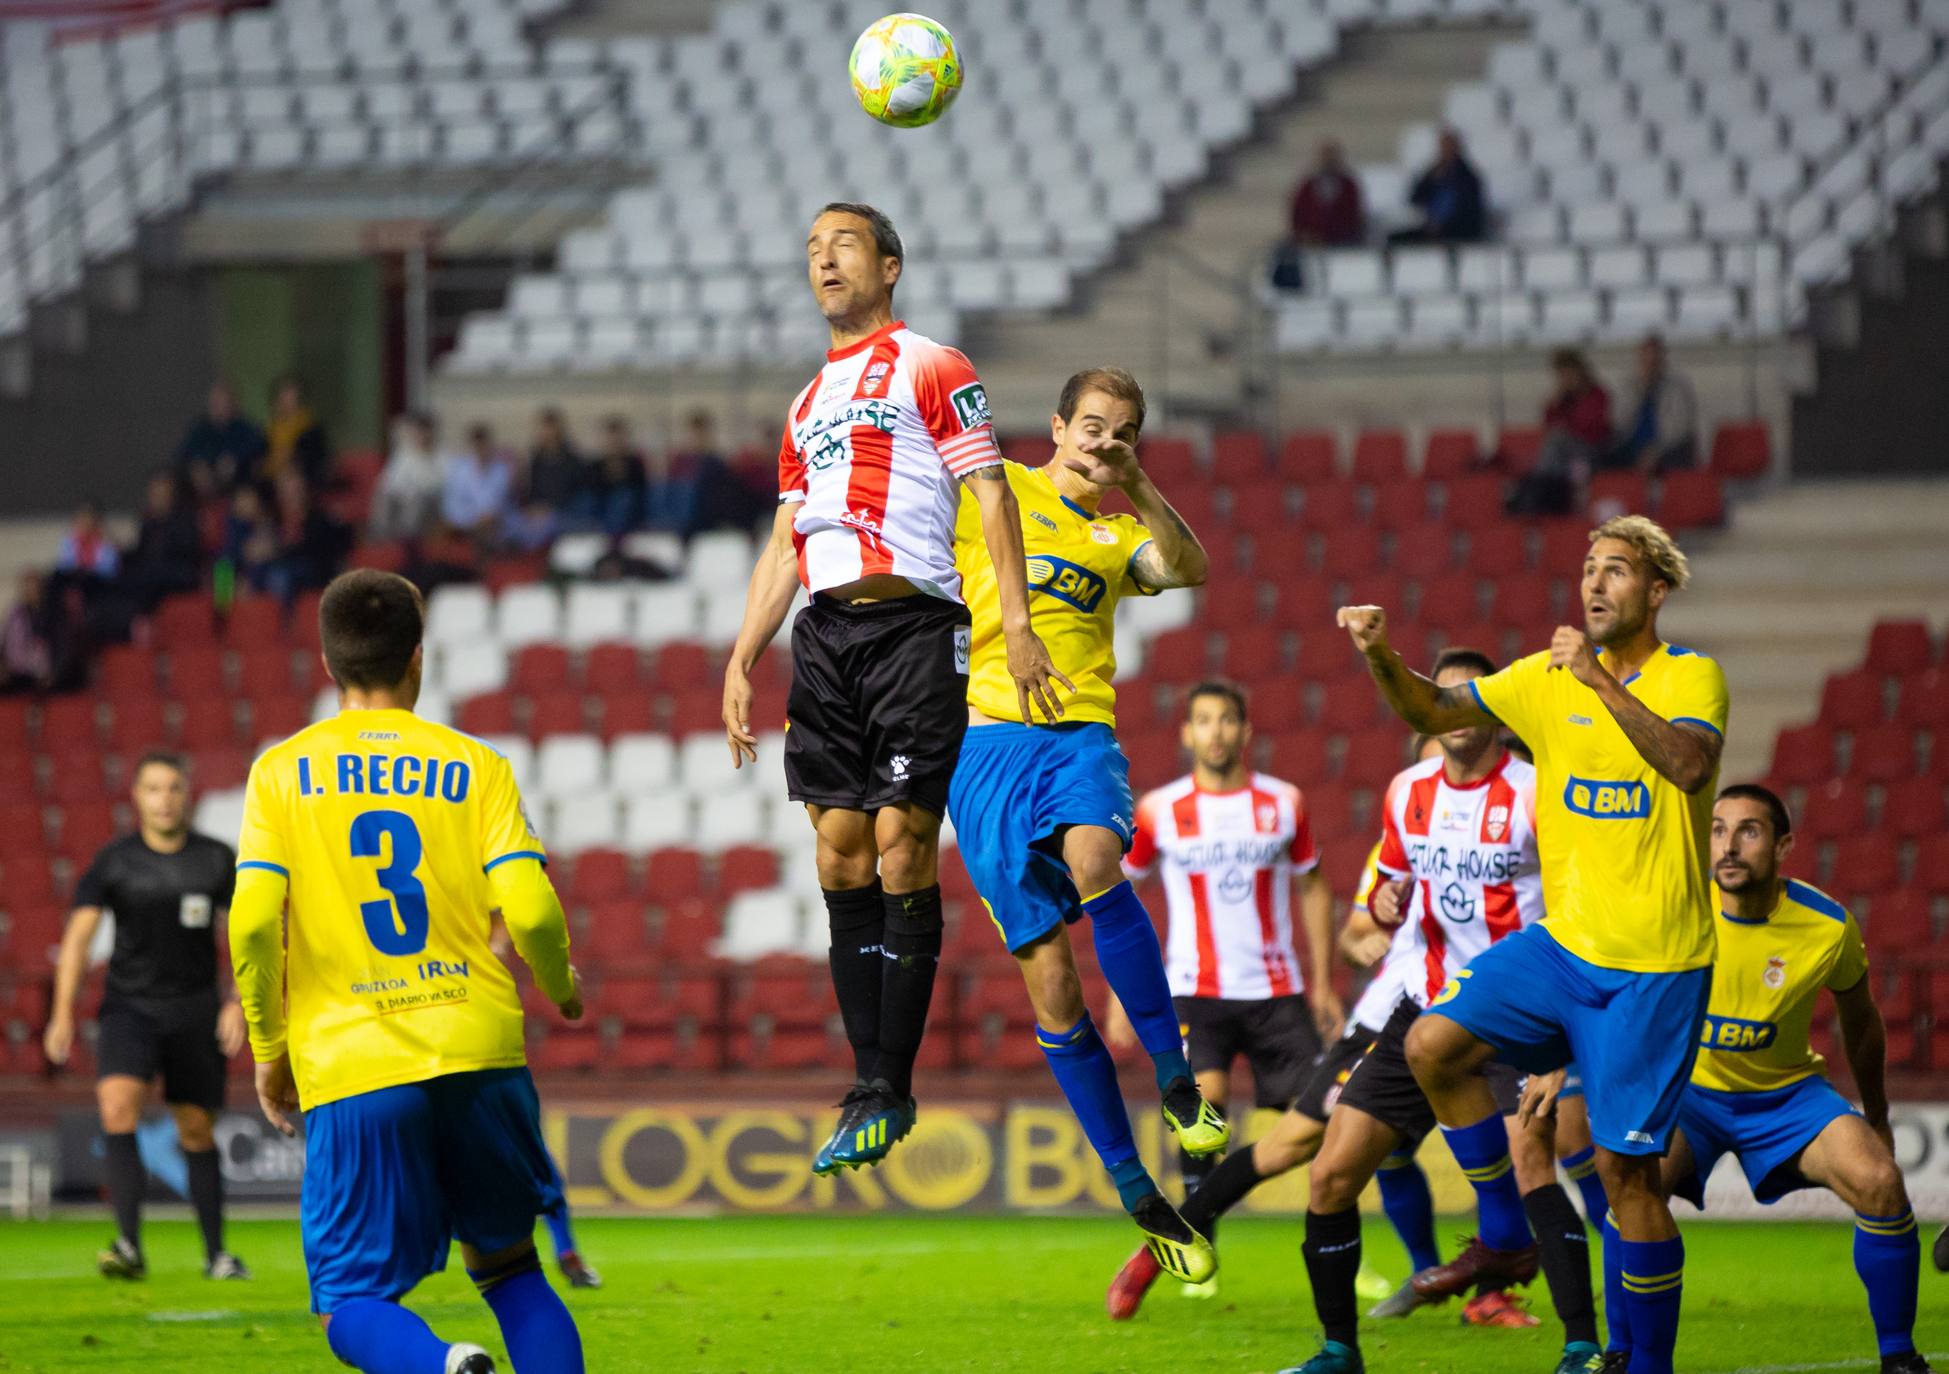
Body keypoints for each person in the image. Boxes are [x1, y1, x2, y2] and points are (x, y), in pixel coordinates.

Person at [1338, 514, 1727, 1374]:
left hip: (1653, 967)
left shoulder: (1691, 677)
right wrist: (1376, 653)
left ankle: (1642, 1363)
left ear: (1655, 591)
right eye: (1589, 568)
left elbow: (1690, 768)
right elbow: (1433, 707)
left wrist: (1594, 682)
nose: (1594, 583)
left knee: (1628, 1180)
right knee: (1433, 1045)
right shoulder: (1541, 679)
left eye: (1616, 570)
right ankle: (1504, 1229)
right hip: (1562, 947)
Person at [720, 201, 1061, 1175]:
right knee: (836, 854)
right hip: (825, 635)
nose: (823, 260)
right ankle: (866, 1082)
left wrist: (1022, 623)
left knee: (900, 843)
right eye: (812, 249)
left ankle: (885, 1083)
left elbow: (990, 490)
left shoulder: (932, 364)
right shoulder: (801, 404)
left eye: (843, 244)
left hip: (914, 624)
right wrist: (745, 652)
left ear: (889, 264)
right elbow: (786, 539)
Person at [228, 568, 584, 1374]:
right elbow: (528, 910)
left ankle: (443, 1367)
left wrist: (267, 1047)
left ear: (326, 663)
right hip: (477, 1047)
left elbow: (251, 921)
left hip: (353, 1059)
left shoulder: (280, 772)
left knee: (350, 1304)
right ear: (418, 658)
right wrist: (560, 988)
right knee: (511, 1269)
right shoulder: (478, 766)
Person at [945, 367, 1223, 1285]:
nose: (1105, 440)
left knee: (1099, 859)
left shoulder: (1117, 534)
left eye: (1124, 430)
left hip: (1078, 735)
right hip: (984, 750)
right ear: (1058, 426)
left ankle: (1176, 1081)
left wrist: (1139, 481)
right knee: (1054, 989)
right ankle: (1137, 1190)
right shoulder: (996, 492)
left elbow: (1189, 569)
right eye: (1093, 426)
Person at [1269, 650, 1602, 1374]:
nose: (1449, 711)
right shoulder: (1407, 790)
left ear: (1491, 711)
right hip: (1421, 1005)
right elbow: (1384, 887)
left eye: (1463, 698)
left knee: (1533, 1162)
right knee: (1329, 1175)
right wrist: (1384, 904)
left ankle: (1580, 1344)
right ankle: (1337, 1349)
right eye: (1437, 699)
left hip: (1516, 1012)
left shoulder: (1535, 792)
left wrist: (1568, 1033)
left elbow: (1581, 908)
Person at [1555, 785, 1930, 1374]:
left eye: (1749, 831)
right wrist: (1560, 1061)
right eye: (1718, 829)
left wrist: (1877, 1116)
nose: (1728, 846)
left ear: (1783, 846)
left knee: (1880, 1181)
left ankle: (1899, 1356)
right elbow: (1593, 988)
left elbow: (1862, 1025)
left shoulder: (1827, 926)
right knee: (1630, 1188)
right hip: (1689, 1093)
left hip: (1788, 1096)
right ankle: (1623, 1352)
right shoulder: (1677, 907)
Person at [1112, 681, 1345, 1287]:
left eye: (1226, 721)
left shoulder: (1284, 802)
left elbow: (1313, 885)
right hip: (1194, 989)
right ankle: (1201, 1244)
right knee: (1202, 1109)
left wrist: (1322, 983)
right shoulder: (1159, 810)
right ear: (1186, 734)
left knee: (1332, 1120)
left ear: (1245, 731)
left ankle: (1341, 1244)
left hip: (1276, 990)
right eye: (1203, 721)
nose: (1215, 732)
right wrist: (1120, 993)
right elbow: (1121, 899)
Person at [42, 752, 249, 1281]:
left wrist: (237, 1003)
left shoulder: (217, 860)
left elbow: (251, 936)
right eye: (153, 789)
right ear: (136, 796)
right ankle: (129, 1246)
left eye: (173, 788)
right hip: (129, 1008)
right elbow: (78, 939)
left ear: (187, 794)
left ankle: (216, 1254)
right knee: (116, 1106)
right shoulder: (114, 862)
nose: (164, 799)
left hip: (195, 1009)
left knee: (197, 1130)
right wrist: (62, 1014)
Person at [1607, 336, 1697, 476]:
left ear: (1662, 361)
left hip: (1667, 446)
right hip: (1633, 444)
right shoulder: (1628, 386)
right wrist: (1639, 392)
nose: (1650, 365)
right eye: (1646, 361)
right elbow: (1618, 421)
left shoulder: (1678, 388)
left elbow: (1681, 428)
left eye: (1655, 361)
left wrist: (1656, 450)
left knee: (1673, 456)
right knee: (1606, 458)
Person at [122, 471, 204, 612]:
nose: (155, 499)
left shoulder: (185, 521)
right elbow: (141, 552)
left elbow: (185, 554)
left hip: (176, 574)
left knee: (147, 575)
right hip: (151, 573)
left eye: (160, 494)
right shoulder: (149, 523)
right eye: (153, 494)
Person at [1390, 127, 1485, 245]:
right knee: (1395, 239)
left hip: (1458, 229)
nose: (1444, 151)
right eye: (1442, 147)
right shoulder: (1434, 172)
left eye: (1448, 146)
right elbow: (1415, 198)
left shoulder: (1468, 178)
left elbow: (1469, 211)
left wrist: (1442, 224)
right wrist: (1430, 178)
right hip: (1433, 227)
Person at [175, 381, 266, 499]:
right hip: (204, 484)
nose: (217, 406)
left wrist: (234, 458)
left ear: (233, 403)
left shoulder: (244, 428)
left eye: (222, 401)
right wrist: (196, 464)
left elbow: (258, 446)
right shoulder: (201, 428)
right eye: (215, 401)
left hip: (236, 485)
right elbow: (183, 453)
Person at [369, 413, 447, 541]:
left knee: (415, 501)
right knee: (383, 495)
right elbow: (389, 482)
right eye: (418, 432)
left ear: (432, 433)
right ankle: (381, 537)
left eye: (425, 432)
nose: (422, 436)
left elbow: (441, 486)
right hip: (404, 499)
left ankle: (406, 541)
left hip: (430, 503)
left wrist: (415, 492)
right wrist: (404, 492)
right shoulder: (404, 456)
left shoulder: (443, 457)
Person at [443, 424, 514, 543]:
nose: (482, 449)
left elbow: (499, 502)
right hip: (465, 524)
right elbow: (452, 504)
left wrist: (486, 517)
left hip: (492, 524)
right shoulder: (459, 468)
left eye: (485, 444)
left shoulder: (501, 470)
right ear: (472, 445)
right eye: (478, 445)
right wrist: (473, 519)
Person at [1291, 139, 1366, 248]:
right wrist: (1306, 235)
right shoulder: (1308, 186)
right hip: (1312, 242)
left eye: (1332, 156)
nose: (1328, 160)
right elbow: (1298, 213)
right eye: (1325, 156)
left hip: (1343, 241)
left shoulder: (1348, 185)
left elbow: (1354, 215)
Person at [262, 374, 331, 487]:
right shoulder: (271, 428)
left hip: (301, 480)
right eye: (282, 394)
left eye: (290, 394)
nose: (285, 399)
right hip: (272, 480)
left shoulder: (312, 430)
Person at [586, 415, 647, 536]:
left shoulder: (634, 463)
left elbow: (639, 489)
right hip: (602, 509)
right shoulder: (596, 465)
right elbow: (594, 490)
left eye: (617, 439)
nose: (614, 443)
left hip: (629, 512)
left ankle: (614, 537)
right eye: (610, 438)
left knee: (623, 498)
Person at [0, 568, 55, 694]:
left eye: (32, 587)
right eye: (26, 587)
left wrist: (54, 672)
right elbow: (3, 640)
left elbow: (60, 645)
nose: (28, 591)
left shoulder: (52, 614)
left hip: (42, 673)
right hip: (15, 672)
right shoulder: (15, 613)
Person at [523, 409, 584, 513]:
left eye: (550, 428)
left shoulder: (571, 459)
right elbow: (533, 490)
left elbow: (573, 490)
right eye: (544, 428)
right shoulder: (537, 459)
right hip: (539, 509)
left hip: (564, 508)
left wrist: (548, 507)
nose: (547, 433)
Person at [55, 500, 120, 581]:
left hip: (99, 583)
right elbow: (64, 566)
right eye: (83, 519)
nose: (86, 524)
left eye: (90, 519)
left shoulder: (106, 542)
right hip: (75, 580)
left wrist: (89, 572)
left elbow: (109, 570)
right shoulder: (69, 541)